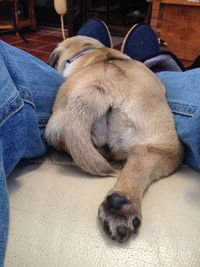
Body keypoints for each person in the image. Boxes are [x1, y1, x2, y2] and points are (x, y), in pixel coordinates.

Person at [0, 18, 199, 266]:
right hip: (138, 84)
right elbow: (165, 147)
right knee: (165, 143)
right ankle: (151, 63)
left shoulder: (58, 59)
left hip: (77, 90)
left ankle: (92, 60)